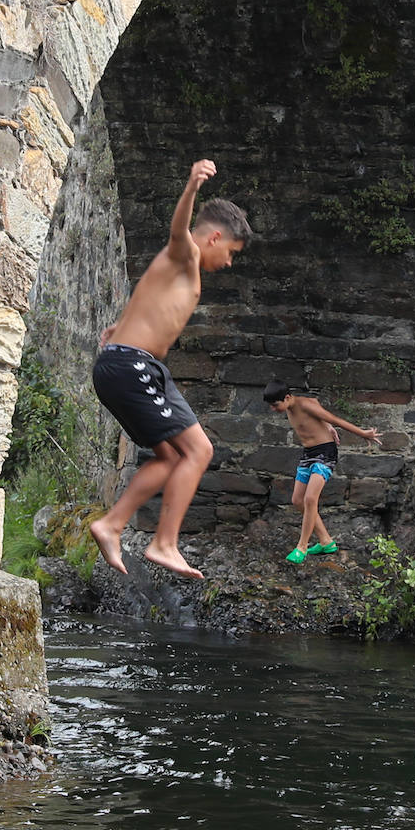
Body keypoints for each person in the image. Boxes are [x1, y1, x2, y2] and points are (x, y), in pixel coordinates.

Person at [89, 159, 252, 580]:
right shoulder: (186, 254)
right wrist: (191, 186)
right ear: (214, 237)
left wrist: (120, 326)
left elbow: (148, 301)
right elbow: (180, 230)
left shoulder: (176, 268)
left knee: (169, 457)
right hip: (135, 366)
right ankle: (164, 542)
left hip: (123, 364)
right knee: (199, 451)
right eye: (231, 253)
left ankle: (111, 524)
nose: (230, 263)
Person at [263, 381, 382, 564]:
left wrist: (363, 434)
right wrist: (326, 425)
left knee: (310, 499)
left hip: (325, 453)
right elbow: (316, 401)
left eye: (275, 405)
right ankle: (326, 542)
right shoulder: (293, 405)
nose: (273, 409)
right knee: (297, 500)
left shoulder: (304, 405)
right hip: (308, 454)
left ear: (287, 398)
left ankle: (301, 547)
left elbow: (336, 419)